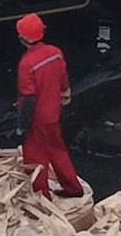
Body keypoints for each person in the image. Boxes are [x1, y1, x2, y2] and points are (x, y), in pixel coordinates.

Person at [15, 13, 83, 197]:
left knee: (35, 157)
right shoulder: (55, 53)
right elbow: (63, 81)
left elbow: (28, 99)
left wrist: (21, 127)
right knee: (58, 150)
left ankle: (40, 197)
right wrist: (64, 96)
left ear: (22, 38)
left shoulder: (26, 63)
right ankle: (74, 188)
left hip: (37, 118)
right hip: (54, 113)